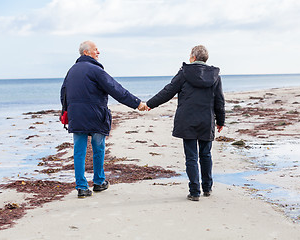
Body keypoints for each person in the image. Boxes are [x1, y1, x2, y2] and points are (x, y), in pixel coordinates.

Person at [60, 40, 148, 198]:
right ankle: (99, 182)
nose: (98, 52)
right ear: (86, 52)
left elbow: (64, 94)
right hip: (96, 115)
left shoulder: (71, 71)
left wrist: (66, 112)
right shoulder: (95, 70)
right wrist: (137, 103)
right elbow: (116, 89)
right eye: (95, 50)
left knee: (79, 151)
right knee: (98, 148)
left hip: (77, 116)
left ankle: (81, 187)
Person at [146, 45, 225, 201]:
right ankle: (207, 188)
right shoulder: (215, 76)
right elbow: (220, 101)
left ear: (193, 57)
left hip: (187, 120)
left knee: (191, 157)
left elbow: (168, 91)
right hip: (206, 120)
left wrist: (149, 104)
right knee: (206, 154)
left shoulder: (184, 73)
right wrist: (220, 120)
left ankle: (195, 191)